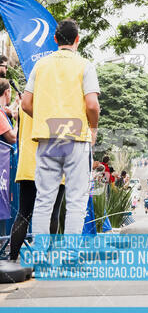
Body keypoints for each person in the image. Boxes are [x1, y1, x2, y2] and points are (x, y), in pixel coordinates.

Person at [21, 18, 100, 235]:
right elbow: (92, 105)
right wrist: (93, 128)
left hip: (48, 136)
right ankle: (70, 258)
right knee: (76, 200)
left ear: (55, 39)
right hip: (76, 135)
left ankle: (39, 257)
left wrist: (44, 118)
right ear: (77, 39)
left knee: (44, 199)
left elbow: (26, 104)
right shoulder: (85, 65)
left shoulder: (40, 65)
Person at [9, 104, 65, 261]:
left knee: (23, 215)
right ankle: (49, 258)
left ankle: (12, 260)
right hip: (54, 163)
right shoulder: (58, 101)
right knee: (53, 215)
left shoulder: (24, 104)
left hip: (29, 164)